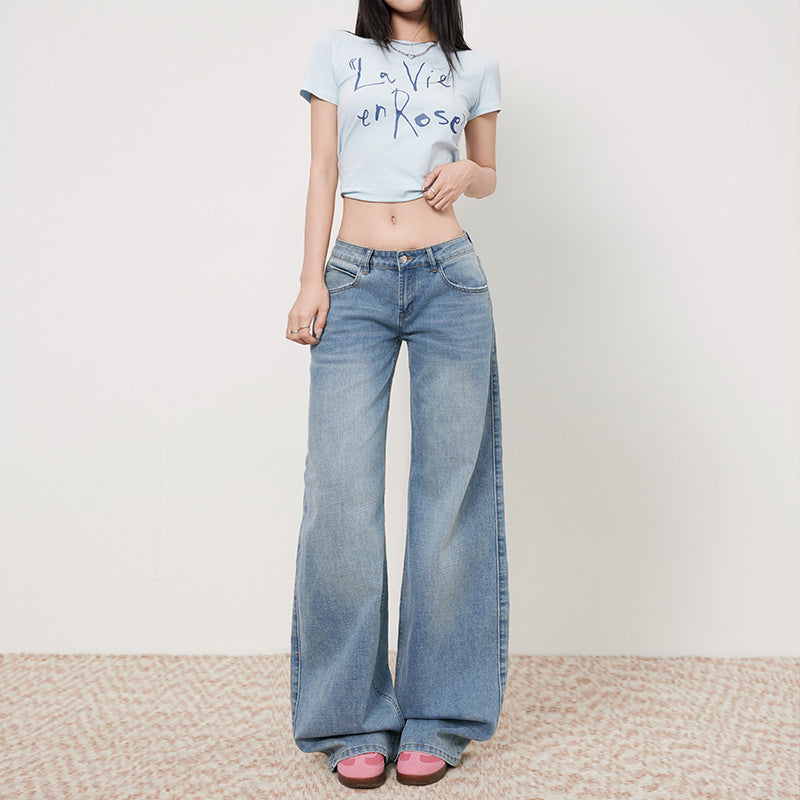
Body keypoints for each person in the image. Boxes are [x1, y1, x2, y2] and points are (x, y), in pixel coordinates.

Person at [286, 0, 509, 789]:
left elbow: (488, 174)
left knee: (450, 499)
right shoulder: (336, 52)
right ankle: (350, 718)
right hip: (354, 279)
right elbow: (323, 169)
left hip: (451, 281)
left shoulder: (474, 67)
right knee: (342, 498)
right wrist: (311, 280)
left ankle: (438, 716)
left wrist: (469, 173)